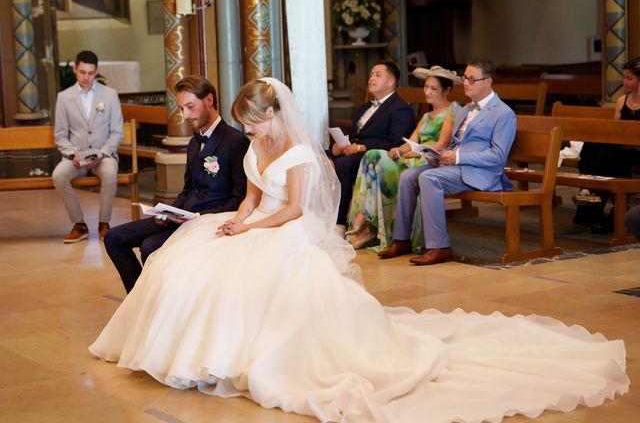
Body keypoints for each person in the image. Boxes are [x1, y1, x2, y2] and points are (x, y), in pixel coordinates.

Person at [90, 77, 628, 423]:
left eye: (255, 121)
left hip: (288, 230)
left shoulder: (299, 150)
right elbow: (253, 192)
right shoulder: (257, 145)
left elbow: (296, 208)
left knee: (250, 278)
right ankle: (200, 348)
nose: (250, 131)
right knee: (191, 261)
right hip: (258, 222)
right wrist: (237, 220)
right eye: (247, 124)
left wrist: (254, 229)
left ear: (273, 114)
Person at [103, 75, 249, 293]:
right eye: (182, 108)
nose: (185, 115)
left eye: (190, 107)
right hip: (181, 215)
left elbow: (239, 198)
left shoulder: (235, 141)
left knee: (149, 246)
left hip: (208, 219)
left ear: (209, 100)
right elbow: (188, 189)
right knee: (114, 238)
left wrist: (198, 218)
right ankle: (140, 299)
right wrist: (169, 211)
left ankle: (156, 301)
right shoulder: (193, 142)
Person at [379, 58, 517, 265]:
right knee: (408, 176)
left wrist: (458, 157)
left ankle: (439, 246)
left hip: (480, 172)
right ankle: (402, 239)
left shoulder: (504, 113)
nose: (467, 83)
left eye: (472, 79)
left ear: (488, 82)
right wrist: (438, 157)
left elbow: (498, 156)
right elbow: (454, 144)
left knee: (428, 178)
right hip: (454, 166)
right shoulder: (465, 110)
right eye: (465, 78)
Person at [346, 65, 460, 251]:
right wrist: (398, 149)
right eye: (425, 87)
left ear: (446, 91)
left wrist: (409, 153)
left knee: (376, 158)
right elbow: (412, 140)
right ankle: (363, 219)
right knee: (372, 156)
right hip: (413, 157)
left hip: (430, 160)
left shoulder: (451, 111)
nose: (427, 92)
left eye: (433, 89)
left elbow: (440, 146)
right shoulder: (426, 115)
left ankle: (370, 224)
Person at [327, 61, 414, 231]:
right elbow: (354, 136)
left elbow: (395, 142)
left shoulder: (401, 109)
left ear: (391, 81)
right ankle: (319, 216)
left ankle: (340, 223)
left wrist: (361, 147)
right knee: (319, 156)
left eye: (378, 75)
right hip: (355, 151)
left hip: (376, 157)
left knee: (343, 165)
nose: (371, 78)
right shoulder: (365, 107)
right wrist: (339, 146)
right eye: (371, 74)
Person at [53, 50, 124, 243]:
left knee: (110, 173)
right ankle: (79, 224)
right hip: (76, 157)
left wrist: (102, 154)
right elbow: (60, 135)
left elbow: (117, 131)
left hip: (103, 155)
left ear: (96, 71)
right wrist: (72, 154)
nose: (86, 77)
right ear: (75, 69)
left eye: (90, 73)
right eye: (82, 72)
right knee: (59, 175)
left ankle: (104, 223)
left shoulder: (109, 95)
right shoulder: (64, 97)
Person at [572, 57, 640, 234]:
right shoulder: (621, 101)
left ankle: (596, 204)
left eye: (629, 78)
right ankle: (590, 192)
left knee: (610, 154)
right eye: (624, 77)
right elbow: (614, 132)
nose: (624, 82)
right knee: (593, 145)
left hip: (637, 150)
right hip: (621, 149)